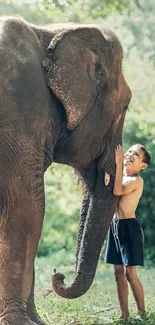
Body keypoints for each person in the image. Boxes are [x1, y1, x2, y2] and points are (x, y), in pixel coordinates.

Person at [105, 143, 151, 321]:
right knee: (117, 272)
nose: (130, 154)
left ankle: (142, 313)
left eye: (136, 155)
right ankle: (124, 315)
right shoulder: (121, 176)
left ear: (142, 165)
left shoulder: (136, 180)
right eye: (129, 151)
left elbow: (117, 190)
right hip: (115, 226)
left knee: (130, 273)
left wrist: (117, 163)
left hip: (129, 228)